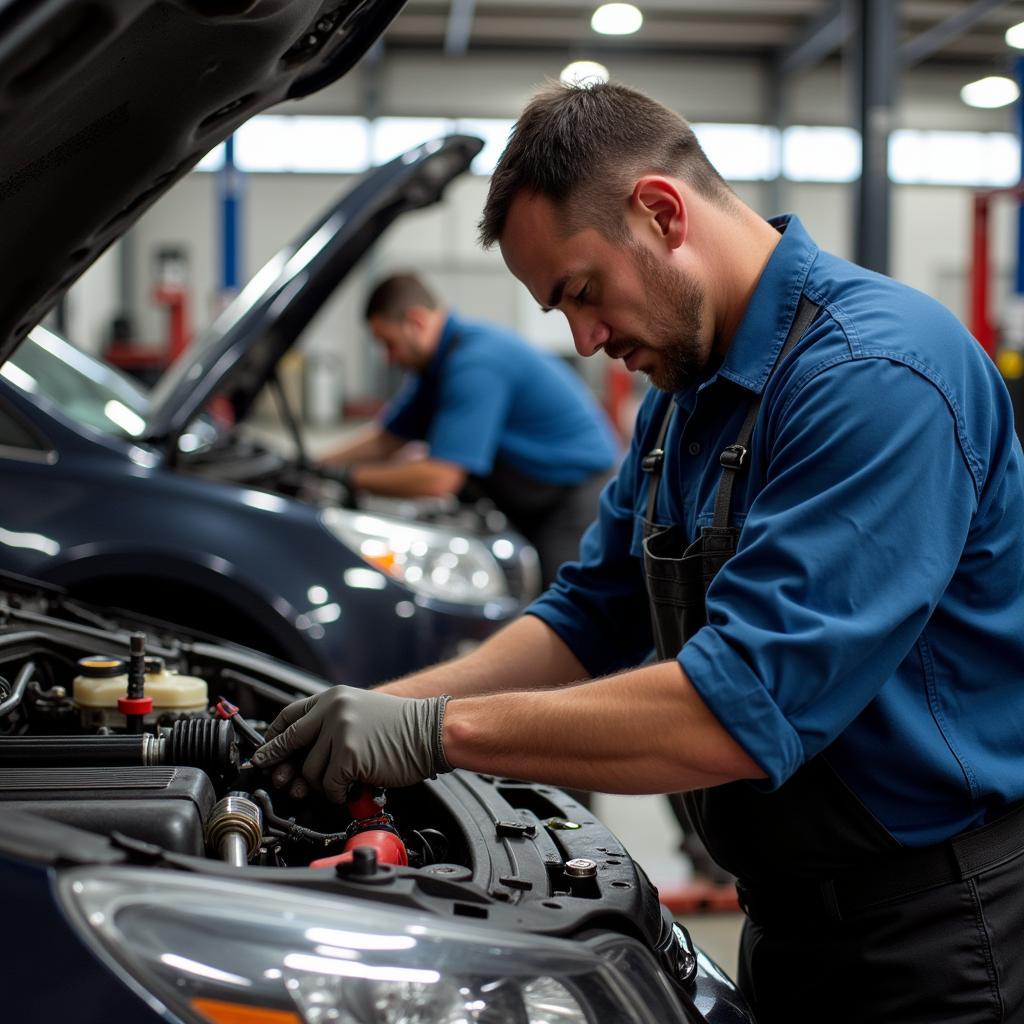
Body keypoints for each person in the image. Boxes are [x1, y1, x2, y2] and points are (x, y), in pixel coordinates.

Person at [254, 82, 1024, 1023]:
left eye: (582, 293)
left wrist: (436, 735)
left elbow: (739, 709)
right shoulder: (684, 396)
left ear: (661, 212)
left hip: (938, 937)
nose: (583, 338)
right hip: (795, 920)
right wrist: (386, 709)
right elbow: (587, 614)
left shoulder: (874, 377)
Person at [319, 272, 619, 585]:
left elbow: (440, 478)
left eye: (389, 344)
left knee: (568, 607)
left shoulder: (474, 362)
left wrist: (349, 477)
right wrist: (315, 464)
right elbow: (386, 439)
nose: (389, 358)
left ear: (417, 321)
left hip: (578, 498)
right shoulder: (437, 367)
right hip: (538, 495)